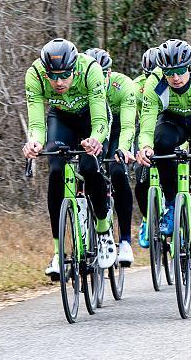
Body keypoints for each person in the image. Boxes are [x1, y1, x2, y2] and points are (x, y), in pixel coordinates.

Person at [136, 39, 191, 295]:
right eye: (169, 73)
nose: (175, 78)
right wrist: (144, 147)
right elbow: (147, 126)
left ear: (189, 66)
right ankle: (173, 202)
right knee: (160, 144)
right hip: (173, 122)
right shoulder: (155, 83)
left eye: (180, 71)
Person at [22, 38, 116, 279]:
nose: (59, 82)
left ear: (74, 68)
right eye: (53, 76)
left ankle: (104, 229)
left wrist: (95, 139)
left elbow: (100, 120)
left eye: (65, 75)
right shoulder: (34, 74)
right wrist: (34, 142)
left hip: (91, 118)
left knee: (89, 166)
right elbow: (36, 121)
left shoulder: (90, 69)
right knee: (55, 170)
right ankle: (57, 252)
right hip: (61, 118)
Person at [84, 48, 137, 266]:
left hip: (118, 133)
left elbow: (127, 125)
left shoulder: (123, 86)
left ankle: (125, 241)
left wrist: (123, 148)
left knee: (117, 171)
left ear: (109, 72)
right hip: (96, 131)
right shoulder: (83, 87)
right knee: (87, 170)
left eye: (103, 73)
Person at [133, 47, 160, 249]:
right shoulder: (137, 87)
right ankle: (146, 218)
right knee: (140, 172)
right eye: (149, 74)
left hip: (172, 129)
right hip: (146, 132)